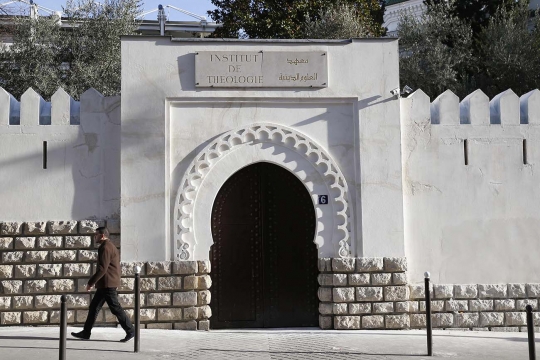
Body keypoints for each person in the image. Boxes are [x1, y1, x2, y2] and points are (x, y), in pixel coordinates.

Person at [71, 227, 134, 342]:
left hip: (108, 284)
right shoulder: (109, 246)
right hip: (105, 283)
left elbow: (102, 269)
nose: (95, 237)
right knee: (94, 307)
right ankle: (86, 332)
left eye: (96, 235)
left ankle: (130, 330)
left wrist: (91, 282)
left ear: (103, 235)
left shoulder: (105, 247)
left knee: (115, 308)